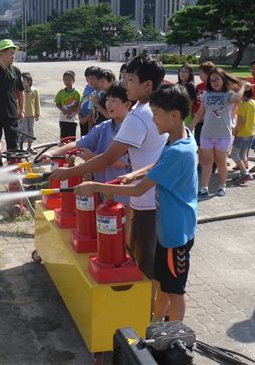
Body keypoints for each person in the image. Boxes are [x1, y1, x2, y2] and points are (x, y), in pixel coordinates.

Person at [74, 84, 197, 322]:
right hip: (165, 231)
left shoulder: (179, 152)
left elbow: (140, 190)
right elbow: (156, 166)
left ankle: (174, 336)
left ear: (174, 116)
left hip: (175, 234)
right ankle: (155, 326)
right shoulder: (178, 139)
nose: (153, 123)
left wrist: (95, 187)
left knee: (175, 291)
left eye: (157, 116)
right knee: (161, 283)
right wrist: (135, 172)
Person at [51, 55, 168, 293]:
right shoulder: (157, 109)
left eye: (130, 80)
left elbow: (107, 159)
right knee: (151, 257)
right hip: (156, 194)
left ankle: (146, 314)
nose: (126, 84)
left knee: (143, 261)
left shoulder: (138, 116)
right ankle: (153, 309)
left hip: (144, 201)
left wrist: (68, 173)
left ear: (147, 85)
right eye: (125, 79)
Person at [43, 82, 132, 202]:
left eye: (113, 101)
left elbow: (122, 163)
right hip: (102, 189)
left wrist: (91, 157)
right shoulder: (103, 127)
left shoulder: (130, 129)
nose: (108, 105)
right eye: (107, 100)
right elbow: (79, 143)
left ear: (127, 104)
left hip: (123, 193)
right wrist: (53, 153)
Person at [190, 67, 245, 198]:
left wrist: (243, 86)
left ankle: (222, 186)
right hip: (206, 135)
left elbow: (237, 98)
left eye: (217, 79)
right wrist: (190, 127)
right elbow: (199, 114)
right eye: (212, 80)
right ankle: (204, 188)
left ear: (223, 79)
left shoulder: (229, 95)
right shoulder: (206, 95)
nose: (215, 82)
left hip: (223, 136)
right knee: (207, 163)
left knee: (221, 162)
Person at [0, 39, 25, 168]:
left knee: (13, 143)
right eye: (10, 53)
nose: (13, 56)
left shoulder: (16, 71)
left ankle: (12, 167)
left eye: (14, 53)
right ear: (1, 53)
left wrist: (22, 110)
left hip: (11, 113)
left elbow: (20, 92)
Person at [231, 86, 255, 184]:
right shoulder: (254, 102)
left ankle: (245, 173)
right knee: (242, 154)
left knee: (234, 154)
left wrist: (234, 130)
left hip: (242, 133)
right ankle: (243, 173)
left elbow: (241, 121)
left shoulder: (242, 105)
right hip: (251, 132)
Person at [192, 62, 215, 172]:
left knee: (210, 145)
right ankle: (200, 164)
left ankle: (212, 164)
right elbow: (196, 102)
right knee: (199, 143)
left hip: (210, 121)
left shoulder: (214, 87)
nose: (199, 75)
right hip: (199, 120)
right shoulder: (199, 86)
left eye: (201, 72)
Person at [54, 70, 81, 139]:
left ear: (73, 81)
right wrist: (63, 110)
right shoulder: (61, 92)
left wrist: (73, 110)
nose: (67, 82)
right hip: (63, 119)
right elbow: (57, 103)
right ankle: (64, 150)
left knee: (71, 138)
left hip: (73, 120)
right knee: (63, 138)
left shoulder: (77, 93)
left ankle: (71, 150)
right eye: (65, 80)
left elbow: (80, 105)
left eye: (69, 80)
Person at [19, 72, 40, 152]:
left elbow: (37, 103)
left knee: (31, 130)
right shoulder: (20, 91)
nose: (22, 82)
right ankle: (20, 147)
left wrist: (37, 113)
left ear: (29, 81)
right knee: (21, 130)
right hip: (22, 115)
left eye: (24, 80)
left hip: (31, 114)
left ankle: (29, 147)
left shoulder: (35, 91)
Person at [78, 66, 100, 136]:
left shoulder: (97, 91)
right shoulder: (87, 87)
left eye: (93, 78)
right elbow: (82, 100)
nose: (90, 80)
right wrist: (79, 116)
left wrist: (86, 118)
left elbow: (92, 109)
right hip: (82, 118)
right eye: (87, 78)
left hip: (89, 120)